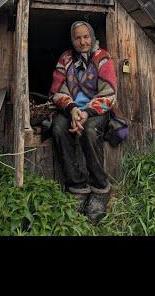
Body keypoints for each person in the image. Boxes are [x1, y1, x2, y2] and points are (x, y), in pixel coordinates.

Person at [49, 21, 118, 220]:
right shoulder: (66, 59)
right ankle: (77, 187)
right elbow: (57, 91)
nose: (82, 41)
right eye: (77, 37)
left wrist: (86, 112)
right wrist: (72, 110)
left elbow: (110, 94)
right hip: (70, 109)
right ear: (72, 40)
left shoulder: (102, 58)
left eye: (86, 36)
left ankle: (100, 188)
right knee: (58, 128)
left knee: (89, 131)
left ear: (92, 36)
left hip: (96, 110)